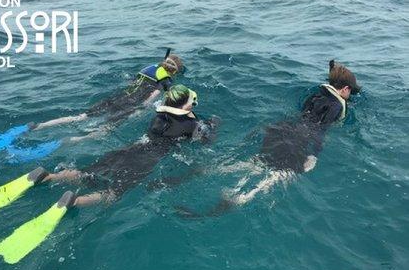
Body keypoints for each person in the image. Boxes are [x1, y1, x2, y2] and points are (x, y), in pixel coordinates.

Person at [178, 60, 361, 216]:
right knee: (280, 174)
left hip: (282, 129)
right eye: (350, 92)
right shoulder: (337, 105)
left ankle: (212, 170)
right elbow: (320, 130)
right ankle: (241, 198)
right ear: (345, 89)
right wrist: (314, 154)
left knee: (260, 163)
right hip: (300, 139)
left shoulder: (316, 94)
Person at [36, 84, 218, 208]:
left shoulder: (159, 116)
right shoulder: (192, 125)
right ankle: (76, 201)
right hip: (148, 160)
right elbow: (205, 141)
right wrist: (211, 125)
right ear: (187, 105)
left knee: (89, 171)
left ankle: (50, 176)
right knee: (114, 193)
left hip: (132, 148)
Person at [29, 51, 184, 133]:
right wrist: (143, 109)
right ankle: (76, 140)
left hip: (119, 96)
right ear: (174, 72)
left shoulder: (149, 69)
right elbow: (153, 96)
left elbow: (133, 82)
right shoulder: (166, 80)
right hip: (130, 104)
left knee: (80, 117)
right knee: (107, 127)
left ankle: (40, 126)